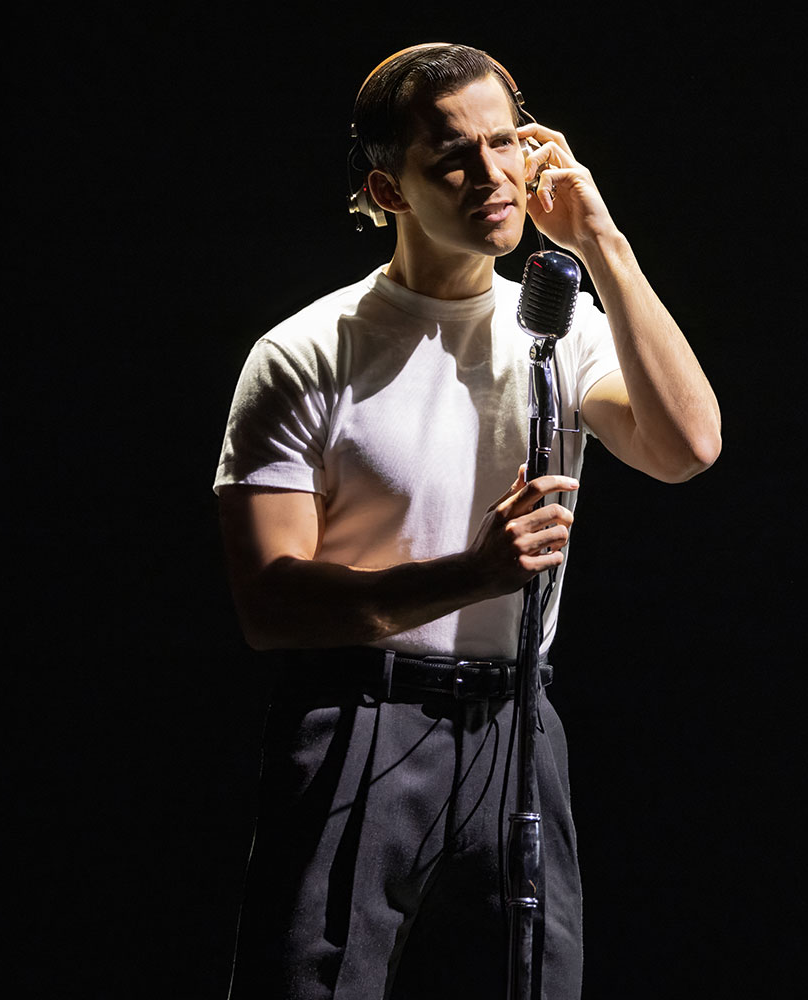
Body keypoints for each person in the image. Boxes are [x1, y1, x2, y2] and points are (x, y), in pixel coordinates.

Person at [213, 43, 720, 1000]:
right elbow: (270, 604)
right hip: (357, 715)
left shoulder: (563, 330)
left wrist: (602, 239)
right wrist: (470, 573)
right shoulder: (306, 352)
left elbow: (688, 446)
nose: (493, 177)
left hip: (518, 722)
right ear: (389, 187)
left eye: (506, 144)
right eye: (453, 156)